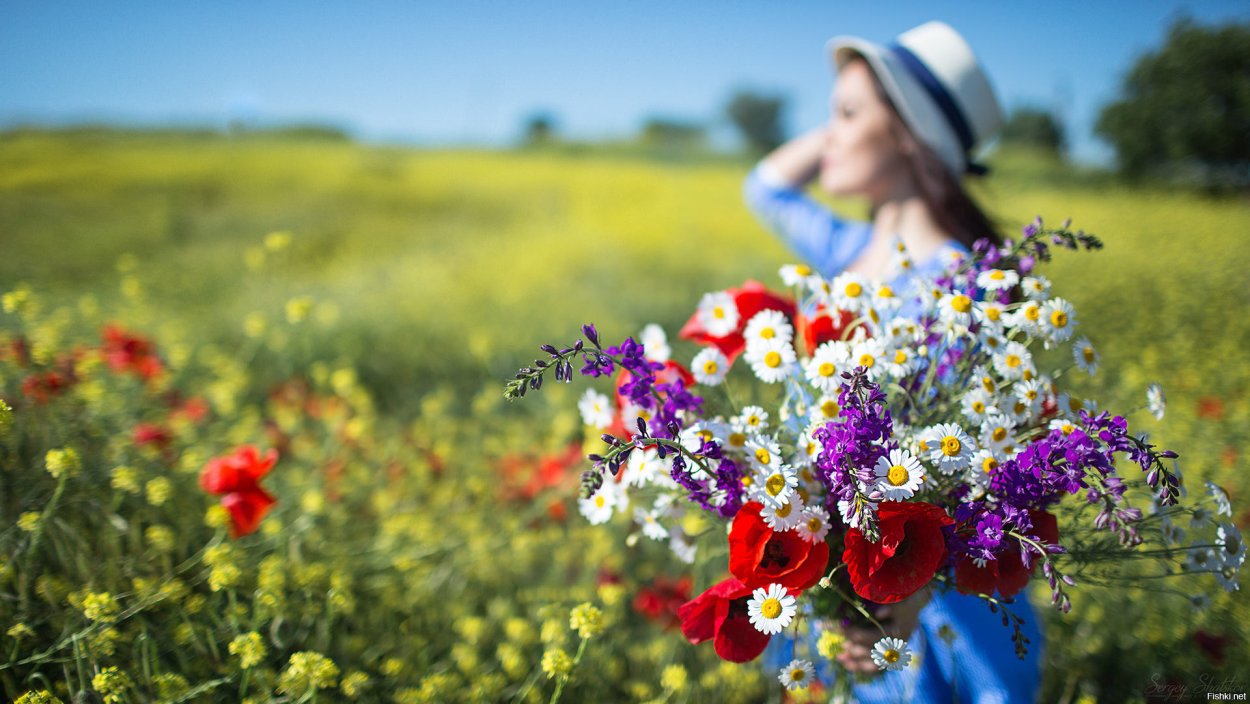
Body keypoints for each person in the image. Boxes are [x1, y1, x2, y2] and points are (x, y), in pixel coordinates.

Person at [744, 21, 1043, 703]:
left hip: (921, 598)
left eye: (847, 114)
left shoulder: (964, 286)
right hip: (842, 575)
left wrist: (906, 593)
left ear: (908, 133)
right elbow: (765, 186)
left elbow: (972, 465)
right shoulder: (845, 251)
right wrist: (852, 126)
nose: (828, 137)